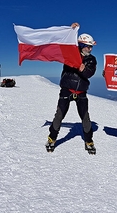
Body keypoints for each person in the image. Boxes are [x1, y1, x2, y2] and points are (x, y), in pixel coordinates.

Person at [46, 22, 98, 154]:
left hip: (81, 91)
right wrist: (70, 31)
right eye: (88, 47)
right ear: (81, 46)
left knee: (85, 117)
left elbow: (89, 73)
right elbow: (65, 44)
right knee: (59, 115)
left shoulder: (91, 59)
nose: (90, 49)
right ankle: (52, 138)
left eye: (91, 47)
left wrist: (83, 69)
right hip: (67, 89)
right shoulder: (70, 54)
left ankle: (89, 140)